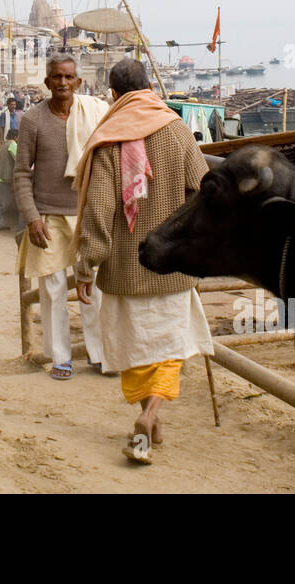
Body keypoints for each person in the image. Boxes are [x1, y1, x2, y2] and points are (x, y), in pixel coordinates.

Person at [74, 57, 214, 464]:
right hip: (172, 265)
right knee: (170, 348)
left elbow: (98, 210)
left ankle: (146, 424)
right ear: (149, 86)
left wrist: (86, 265)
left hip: (124, 268)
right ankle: (153, 417)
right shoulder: (176, 129)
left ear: (113, 94)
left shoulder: (108, 137)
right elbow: (203, 190)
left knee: (134, 352)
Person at [13, 54, 104, 381]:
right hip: (48, 216)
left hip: (87, 213)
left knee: (93, 287)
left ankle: (99, 354)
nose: (63, 83)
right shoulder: (33, 120)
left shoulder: (93, 113)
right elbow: (22, 173)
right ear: (47, 82)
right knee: (52, 291)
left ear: (78, 82)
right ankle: (61, 358)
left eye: (69, 77)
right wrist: (31, 217)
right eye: (56, 77)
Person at [0, 128, 20, 231]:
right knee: (6, 201)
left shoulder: (5, 144)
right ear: (16, 137)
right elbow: (19, 159)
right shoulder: (13, 145)